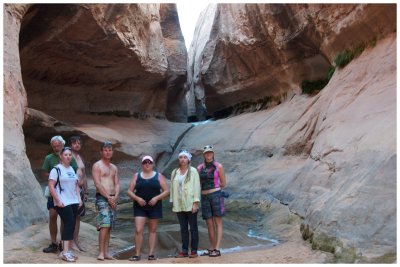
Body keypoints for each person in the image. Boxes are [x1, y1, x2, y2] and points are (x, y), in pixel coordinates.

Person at [127, 155, 169, 261]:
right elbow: (129, 191)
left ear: (152, 164)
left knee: (153, 230)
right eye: (145, 162)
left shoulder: (158, 176)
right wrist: (137, 199)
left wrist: (156, 198)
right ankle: (137, 254)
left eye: (149, 162)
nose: (147, 164)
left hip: (154, 206)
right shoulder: (137, 176)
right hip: (139, 206)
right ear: (142, 164)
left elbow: (166, 191)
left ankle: (151, 254)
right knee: (138, 229)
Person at [42, 136, 78, 254]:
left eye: (58, 146)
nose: (56, 148)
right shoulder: (49, 158)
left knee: (65, 218)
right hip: (54, 192)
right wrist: (56, 175)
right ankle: (53, 242)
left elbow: (75, 173)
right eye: (54, 146)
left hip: (67, 194)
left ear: (62, 145)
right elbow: (45, 173)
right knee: (53, 214)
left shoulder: (69, 157)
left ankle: (64, 243)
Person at [48, 146, 82, 262]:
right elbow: (51, 186)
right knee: (69, 222)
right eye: (66, 155)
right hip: (62, 201)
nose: (68, 156)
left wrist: (79, 199)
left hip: (73, 200)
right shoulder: (56, 169)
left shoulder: (72, 169)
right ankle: (65, 251)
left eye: (69, 155)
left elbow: (76, 185)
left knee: (71, 225)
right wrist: (57, 200)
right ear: (61, 156)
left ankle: (66, 249)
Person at [92, 141, 120, 261]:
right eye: (105, 150)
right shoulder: (97, 166)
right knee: (104, 224)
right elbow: (97, 184)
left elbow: (117, 183)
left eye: (110, 150)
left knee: (109, 226)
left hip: (113, 198)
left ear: (112, 152)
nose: (108, 152)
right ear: (101, 152)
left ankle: (107, 252)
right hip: (102, 198)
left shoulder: (114, 167)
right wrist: (108, 197)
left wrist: (115, 197)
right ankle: (101, 252)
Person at [197, 145, 226, 257]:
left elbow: (223, 183)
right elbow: (198, 183)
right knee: (209, 223)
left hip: (216, 195)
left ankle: (217, 249)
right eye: (206, 153)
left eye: (210, 152)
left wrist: (215, 188)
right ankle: (212, 247)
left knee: (217, 222)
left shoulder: (219, 166)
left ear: (213, 154)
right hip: (204, 197)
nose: (208, 154)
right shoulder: (199, 168)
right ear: (204, 154)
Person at [170, 150, 201, 258]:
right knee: (183, 228)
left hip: (190, 203)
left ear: (188, 160)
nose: (182, 159)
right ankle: (184, 250)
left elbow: (197, 187)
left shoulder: (193, 171)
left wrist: (195, 203)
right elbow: (173, 188)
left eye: (185, 157)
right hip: (179, 204)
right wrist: (173, 203)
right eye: (181, 157)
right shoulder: (175, 172)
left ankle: (194, 251)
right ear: (178, 159)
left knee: (193, 228)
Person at [69, 136, 89, 252]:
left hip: (80, 190)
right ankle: (69, 241)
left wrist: (86, 191)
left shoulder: (80, 157)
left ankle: (76, 240)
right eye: (74, 143)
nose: (77, 145)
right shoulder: (68, 156)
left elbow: (84, 175)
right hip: (71, 190)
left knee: (78, 216)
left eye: (78, 143)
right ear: (70, 145)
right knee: (70, 216)